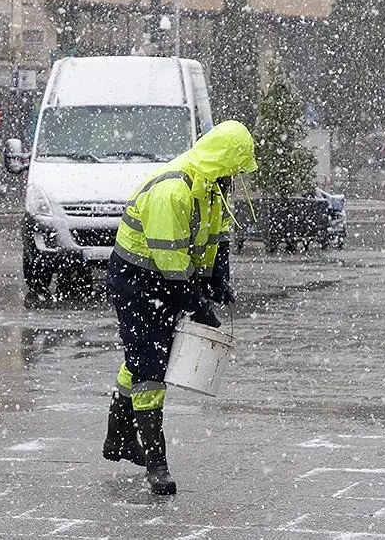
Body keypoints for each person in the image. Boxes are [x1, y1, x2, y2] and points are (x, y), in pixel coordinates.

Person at [102, 120, 257, 495]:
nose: (236, 180)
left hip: (165, 281)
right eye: (234, 171)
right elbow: (172, 264)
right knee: (150, 367)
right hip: (138, 281)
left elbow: (215, 238)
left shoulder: (211, 188)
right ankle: (157, 464)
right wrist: (201, 307)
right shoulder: (174, 190)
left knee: (143, 357)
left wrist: (219, 277)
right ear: (222, 163)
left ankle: (118, 439)